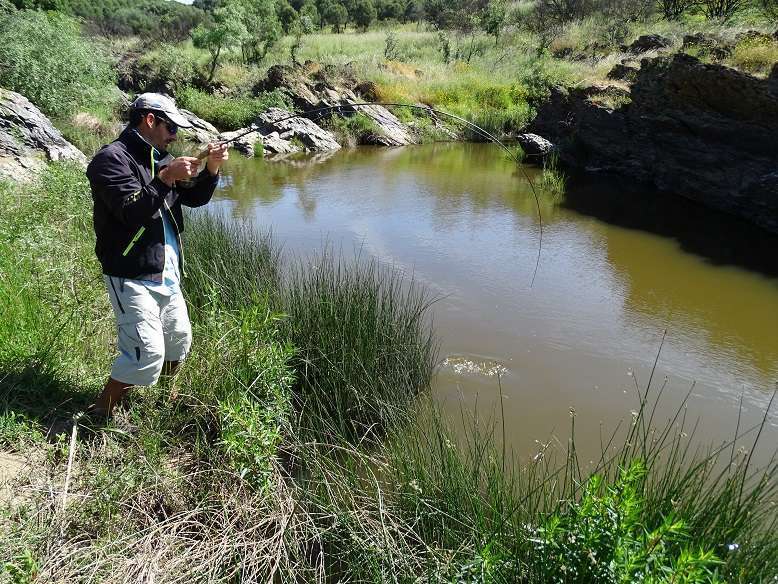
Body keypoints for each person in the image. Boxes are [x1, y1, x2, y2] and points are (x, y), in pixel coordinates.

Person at [86, 93, 229, 418]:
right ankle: (101, 413)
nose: (175, 135)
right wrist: (166, 178)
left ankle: (166, 398)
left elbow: (194, 199)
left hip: (167, 272)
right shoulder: (111, 159)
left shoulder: (162, 158)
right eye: (170, 127)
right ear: (150, 120)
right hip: (131, 274)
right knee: (145, 353)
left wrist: (212, 168)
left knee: (178, 342)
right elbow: (130, 212)